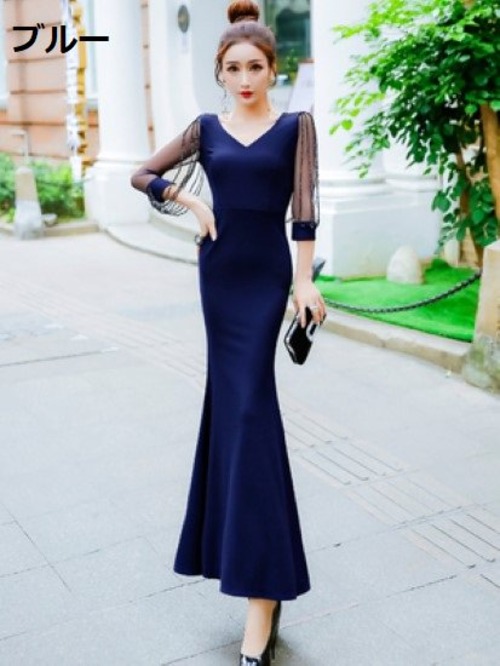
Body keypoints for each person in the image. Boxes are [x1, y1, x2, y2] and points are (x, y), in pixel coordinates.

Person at [130, 1, 326, 663]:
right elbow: (142, 173)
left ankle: (260, 597)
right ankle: (260, 581)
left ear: (274, 69)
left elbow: (305, 211)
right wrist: (189, 199)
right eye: (234, 68)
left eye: (255, 67)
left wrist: (304, 282)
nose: (245, 79)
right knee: (234, 413)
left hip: (266, 279)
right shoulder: (206, 129)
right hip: (219, 276)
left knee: (248, 413)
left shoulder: (296, 127)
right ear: (221, 72)